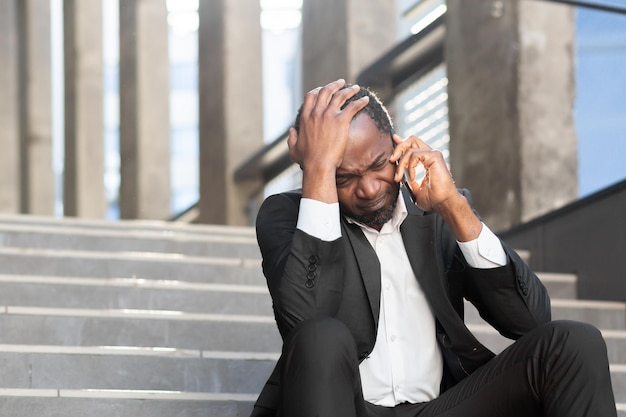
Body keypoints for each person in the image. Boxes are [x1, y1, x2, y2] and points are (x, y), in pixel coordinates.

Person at [251, 79, 617, 417]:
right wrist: (318, 170)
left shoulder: (435, 212)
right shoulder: (287, 216)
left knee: (574, 341)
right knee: (321, 336)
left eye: (378, 165)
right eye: (343, 176)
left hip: (442, 407)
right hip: (347, 408)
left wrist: (453, 206)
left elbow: (530, 320)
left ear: (396, 144)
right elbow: (305, 324)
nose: (369, 189)